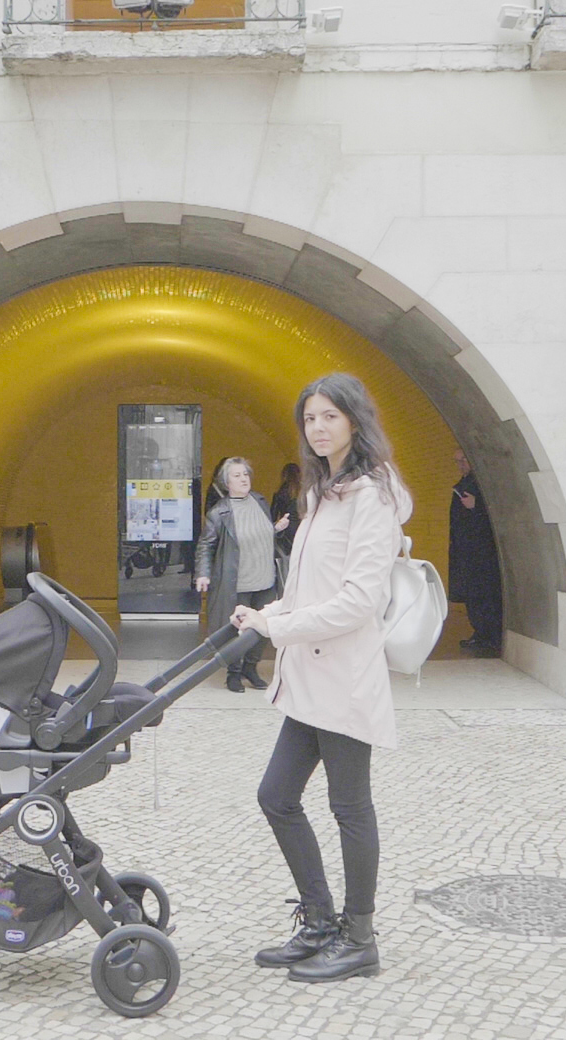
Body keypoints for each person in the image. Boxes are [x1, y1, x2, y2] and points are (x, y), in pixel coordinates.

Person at [232, 373, 410, 984]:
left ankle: (359, 937)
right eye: (310, 418)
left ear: (355, 422)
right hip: (310, 677)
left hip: (344, 676)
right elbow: (310, 590)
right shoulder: (322, 493)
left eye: (330, 416)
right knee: (276, 796)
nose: (318, 427)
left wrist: (280, 629)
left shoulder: (373, 497)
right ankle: (319, 921)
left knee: (349, 806)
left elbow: (359, 600)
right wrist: (266, 615)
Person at [195, 458, 289, 693]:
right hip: (238, 583)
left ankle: (251, 668)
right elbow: (205, 545)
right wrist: (203, 574)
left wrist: (275, 529)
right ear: (226, 482)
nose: (243, 478)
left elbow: (260, 533)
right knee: (238, 631)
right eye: (237, 475)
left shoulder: (259, 501)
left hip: (265, 579)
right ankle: (233, 673)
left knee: (262, 628)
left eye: (246, 474)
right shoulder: (219, 513)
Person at [448, 449, 503, 657]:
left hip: (481, 552)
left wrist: (476, 506)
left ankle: (489, 635)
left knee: (484, 594)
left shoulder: (482, 485)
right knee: (473, 594)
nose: (461, 465)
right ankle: (481, 633)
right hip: (467, 550)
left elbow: (497, 514)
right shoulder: (466, 483)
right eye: (457, 461)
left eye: (464, 460)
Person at [271, 462, 301, 556]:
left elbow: (272, 516)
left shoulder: (280, 493)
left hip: (286, 531)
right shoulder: (304, 492)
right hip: (302, 528)